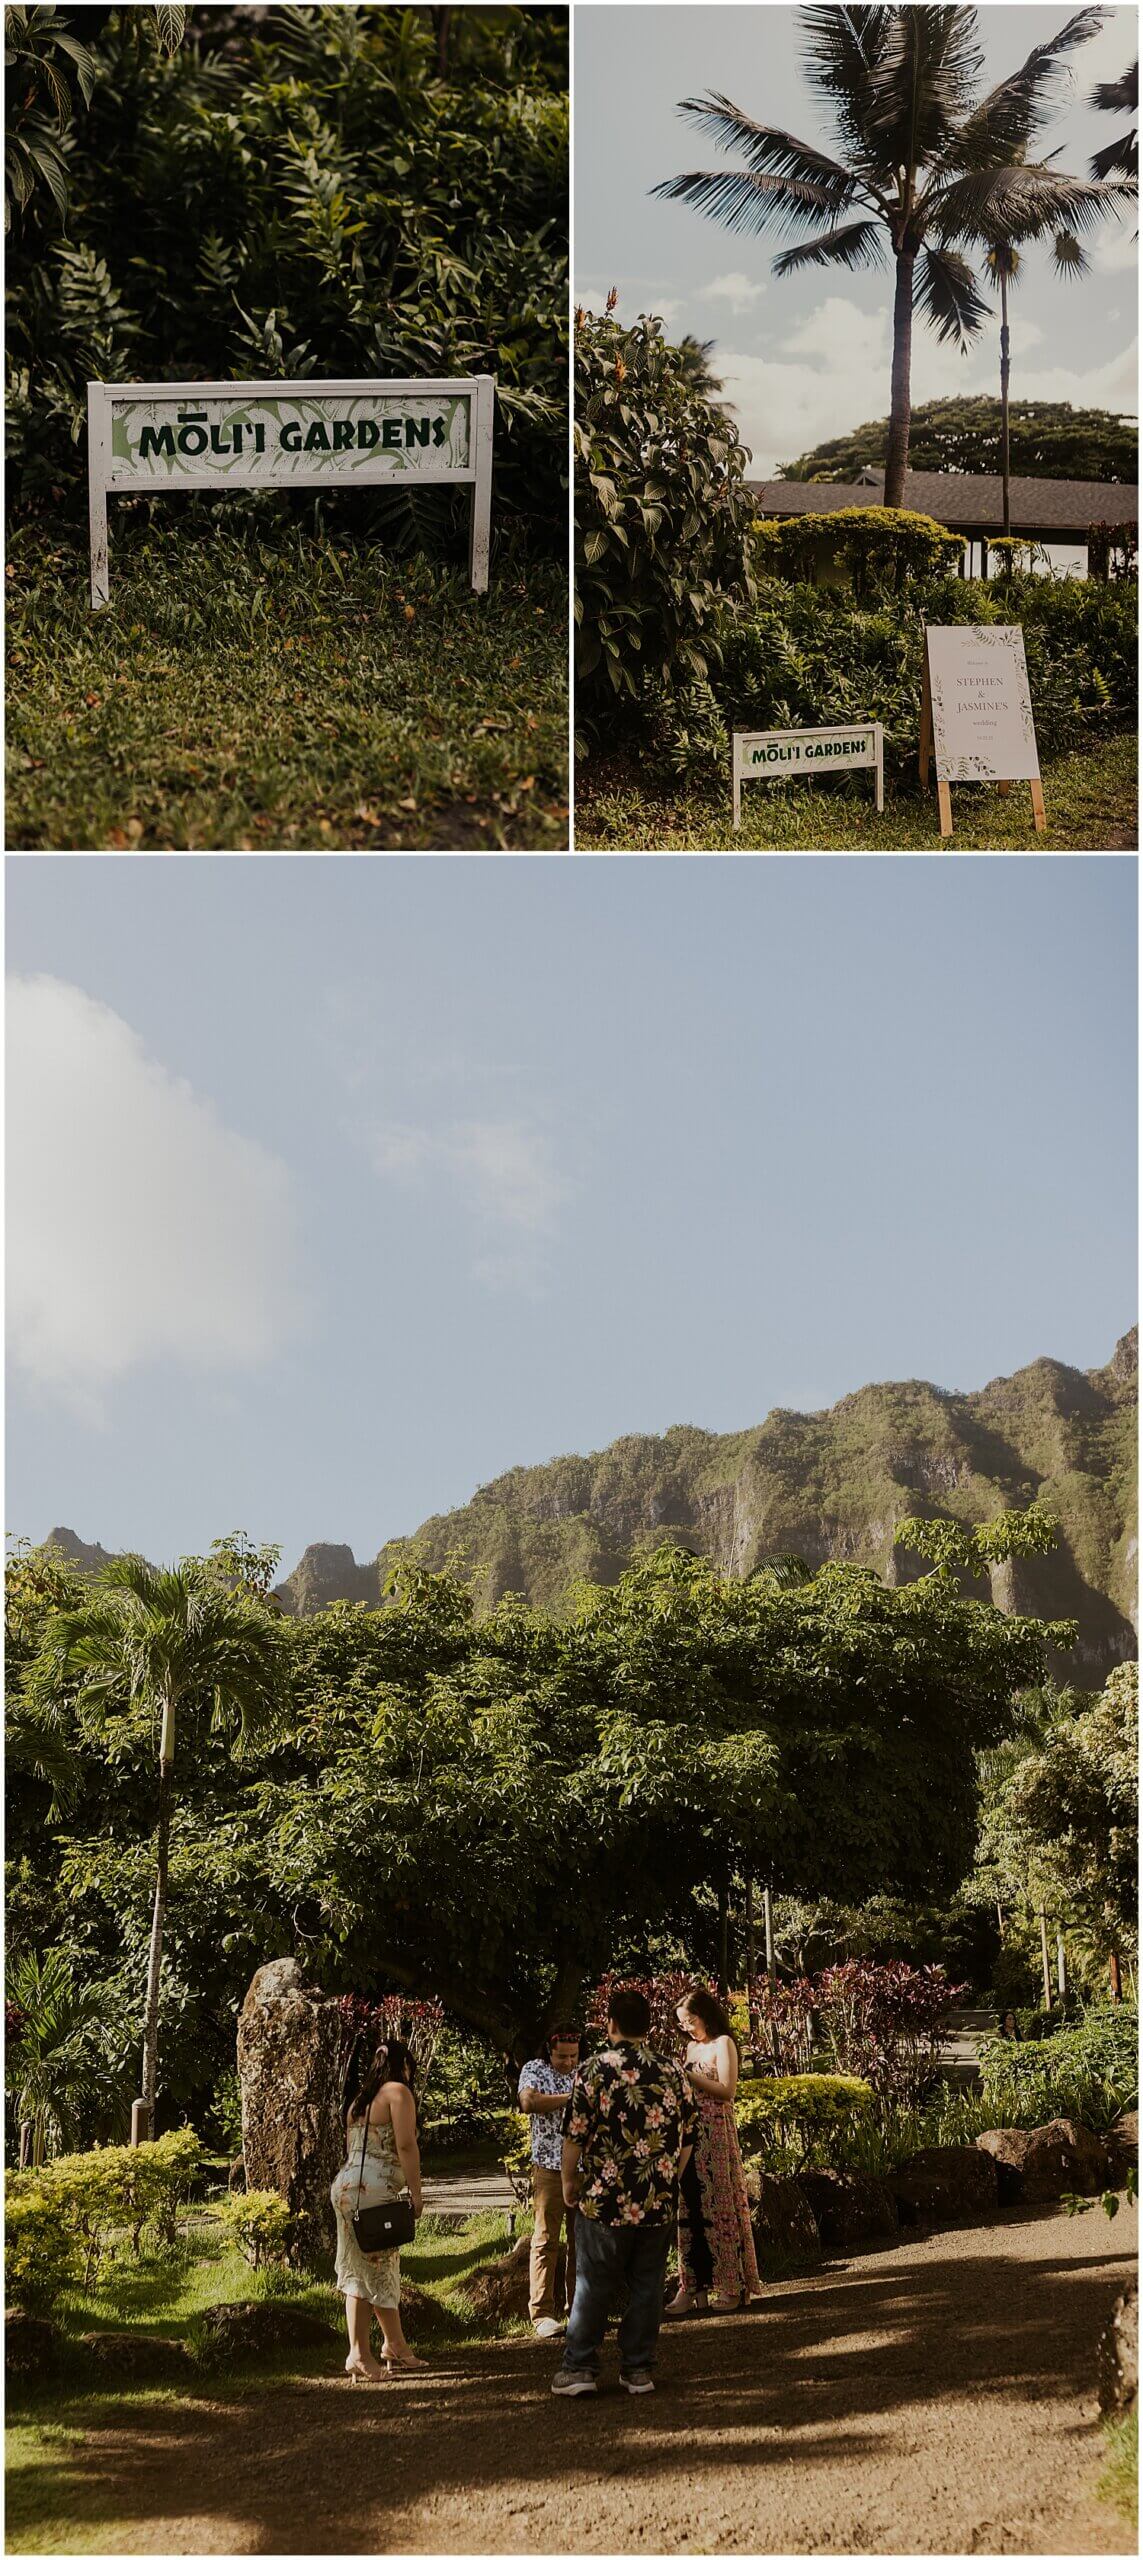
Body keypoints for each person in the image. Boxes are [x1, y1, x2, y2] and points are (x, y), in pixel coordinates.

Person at [551, 1986, 696, 2398]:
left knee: (593, 2283)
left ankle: (579, 2367)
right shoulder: (673, 2071)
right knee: (648, 2285)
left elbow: (575, 2135)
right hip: (657, 2198)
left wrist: (568, 2181)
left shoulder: (594, 2070)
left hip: (605, 2198)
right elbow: (688, 2137)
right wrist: (668, 2179)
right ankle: (637, 2370)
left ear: (610, 2024)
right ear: (648, 2027)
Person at [330, 2034, 424, 2381]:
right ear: (403, 2065)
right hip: (374, 2191)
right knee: (363, 2272)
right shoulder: (397, 2093)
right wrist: (416, 2192)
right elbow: (405, 2144)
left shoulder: (359, 2101)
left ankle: (394, 2345)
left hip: (346, 2187)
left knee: (378, 2267)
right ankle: (358, 2353)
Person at [666, 1983, 762, 2316]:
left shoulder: (724, 2044)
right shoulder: (691, 2049)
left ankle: (731, 2284)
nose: (687, 2027)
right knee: (689, 2204)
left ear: (705, 2014)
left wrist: (688, 2078)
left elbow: (727, 2089)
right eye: (682, 2023)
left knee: (721, 2204)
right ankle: (692, 2286)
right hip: (690, 2131)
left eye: (690, 2020)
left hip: (717, 2131)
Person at [518, 2026, 581, 2337]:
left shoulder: (585, 2071)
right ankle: (542, 2312)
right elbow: (528, 2102)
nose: (568, 2062)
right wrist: (571, 2097)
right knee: (545, 2239)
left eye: (573, 2056)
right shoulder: (534, 2070)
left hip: (585, 2166)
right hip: (549, 2167)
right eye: (562, 2057)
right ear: (549, 2050)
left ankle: (579, 2307)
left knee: (581, 2240)